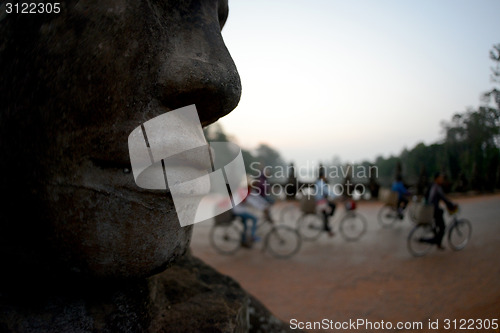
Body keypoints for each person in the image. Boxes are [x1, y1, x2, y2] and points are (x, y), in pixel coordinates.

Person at [427, 172, 458, 249]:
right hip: (434, 209)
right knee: (442, 227)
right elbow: (443, 198)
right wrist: (451, 205)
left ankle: (438, 243)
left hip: (432, 209)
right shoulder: (437, 187)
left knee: (439, 225)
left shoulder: (434, 186)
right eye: (441, 178)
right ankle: (436, 240)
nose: (442, 180)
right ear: (436, 179)